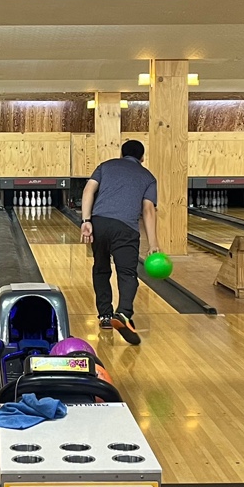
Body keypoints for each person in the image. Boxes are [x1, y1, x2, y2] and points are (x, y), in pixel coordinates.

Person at [79, 140, 160, 345]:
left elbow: (88, 190)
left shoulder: (105, 166)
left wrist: (86, 221)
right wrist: (153, 244)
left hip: (99, 223)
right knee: (127, 273)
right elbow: (148, 210)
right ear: (142, 157)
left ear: (121, 154)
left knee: (101, 269)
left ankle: (105, 316)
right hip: (126, 229)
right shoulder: (148, 177)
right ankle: (123, 312)